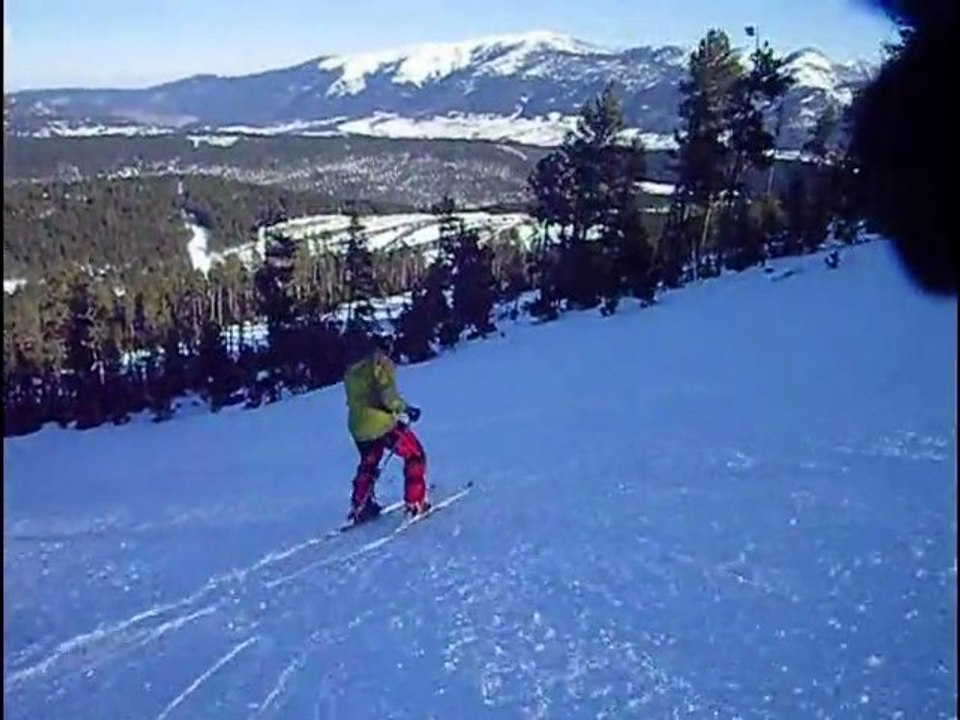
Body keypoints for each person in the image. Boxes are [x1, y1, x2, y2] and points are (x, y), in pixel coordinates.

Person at [342, 336, 429, 523]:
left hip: (358, 427)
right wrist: (406, 409)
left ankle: (361, 504)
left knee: (369, 463)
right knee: (415, 454)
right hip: (381, 424)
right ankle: (415, 500)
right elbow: (388, 398)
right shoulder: (380, 364)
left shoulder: (353, 369)